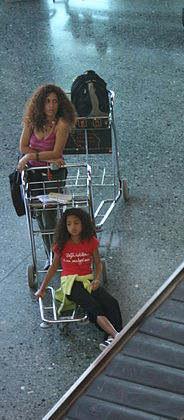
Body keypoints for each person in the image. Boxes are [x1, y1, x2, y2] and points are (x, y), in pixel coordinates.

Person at [35, 208, 122, 351]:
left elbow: (98, 263)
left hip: (87, 281)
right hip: (70, 283)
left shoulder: (90, 241)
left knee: (111, 302)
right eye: (69, 224)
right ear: (65, 226)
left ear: (83, 224)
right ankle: (116, 336)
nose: (73, 227)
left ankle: (110, 339)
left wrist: (97, 279)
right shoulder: (61, 244)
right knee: (94, 306)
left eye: (76, 223)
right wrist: (42, 289)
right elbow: (53, 267)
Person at [18, 84, 77, 261]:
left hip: (54, 174)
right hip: (35, 175)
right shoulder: (32, 120)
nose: (51, 105)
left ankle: (56, 257)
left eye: (55, 101)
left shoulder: (62, 123)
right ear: (40, 103)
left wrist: (30, 156)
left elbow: (56, 153)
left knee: (49, 217)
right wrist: (42, 157)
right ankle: (52, 256)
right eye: (47, 101)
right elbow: (22, 146)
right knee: (40, 218)